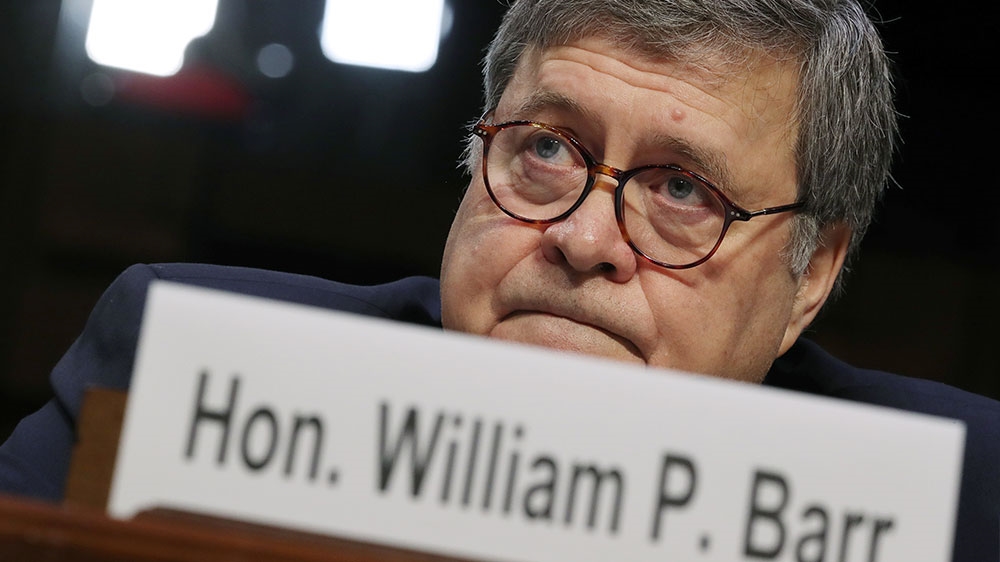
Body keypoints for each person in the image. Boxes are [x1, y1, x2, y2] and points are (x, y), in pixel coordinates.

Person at [1, 0, 997, 560]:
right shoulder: (179, 362)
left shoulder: (961, 506)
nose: (581, 234)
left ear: (810, 278)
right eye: (549, 150)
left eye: (681, 188)